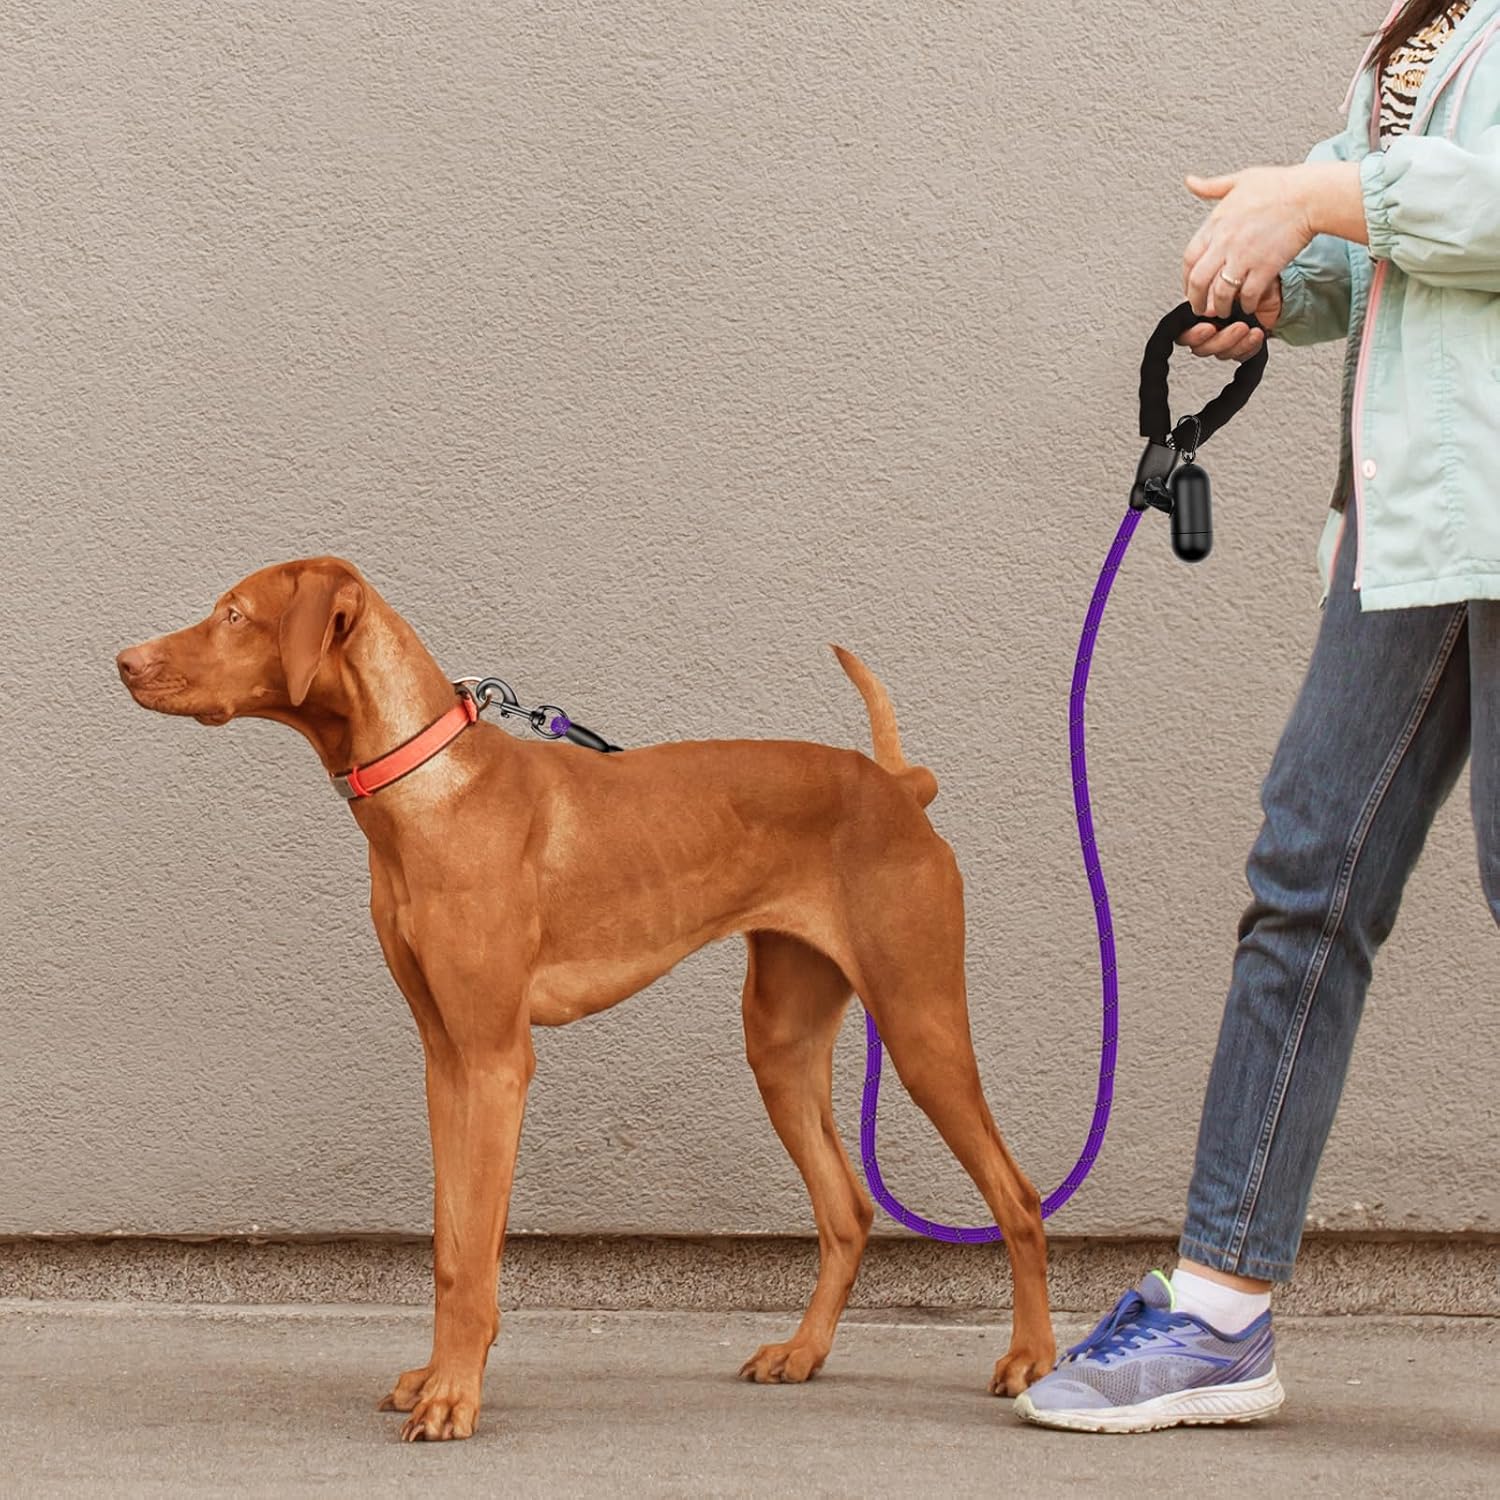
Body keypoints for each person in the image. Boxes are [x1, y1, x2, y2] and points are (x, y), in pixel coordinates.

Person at [1016, 0, 1500, 1433]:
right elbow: (1389, 246)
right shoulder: (1428, 23)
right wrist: (1291, 281)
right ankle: (1220, 1309)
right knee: (1305, 879)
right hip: (1415, 527)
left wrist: (1320, 194)